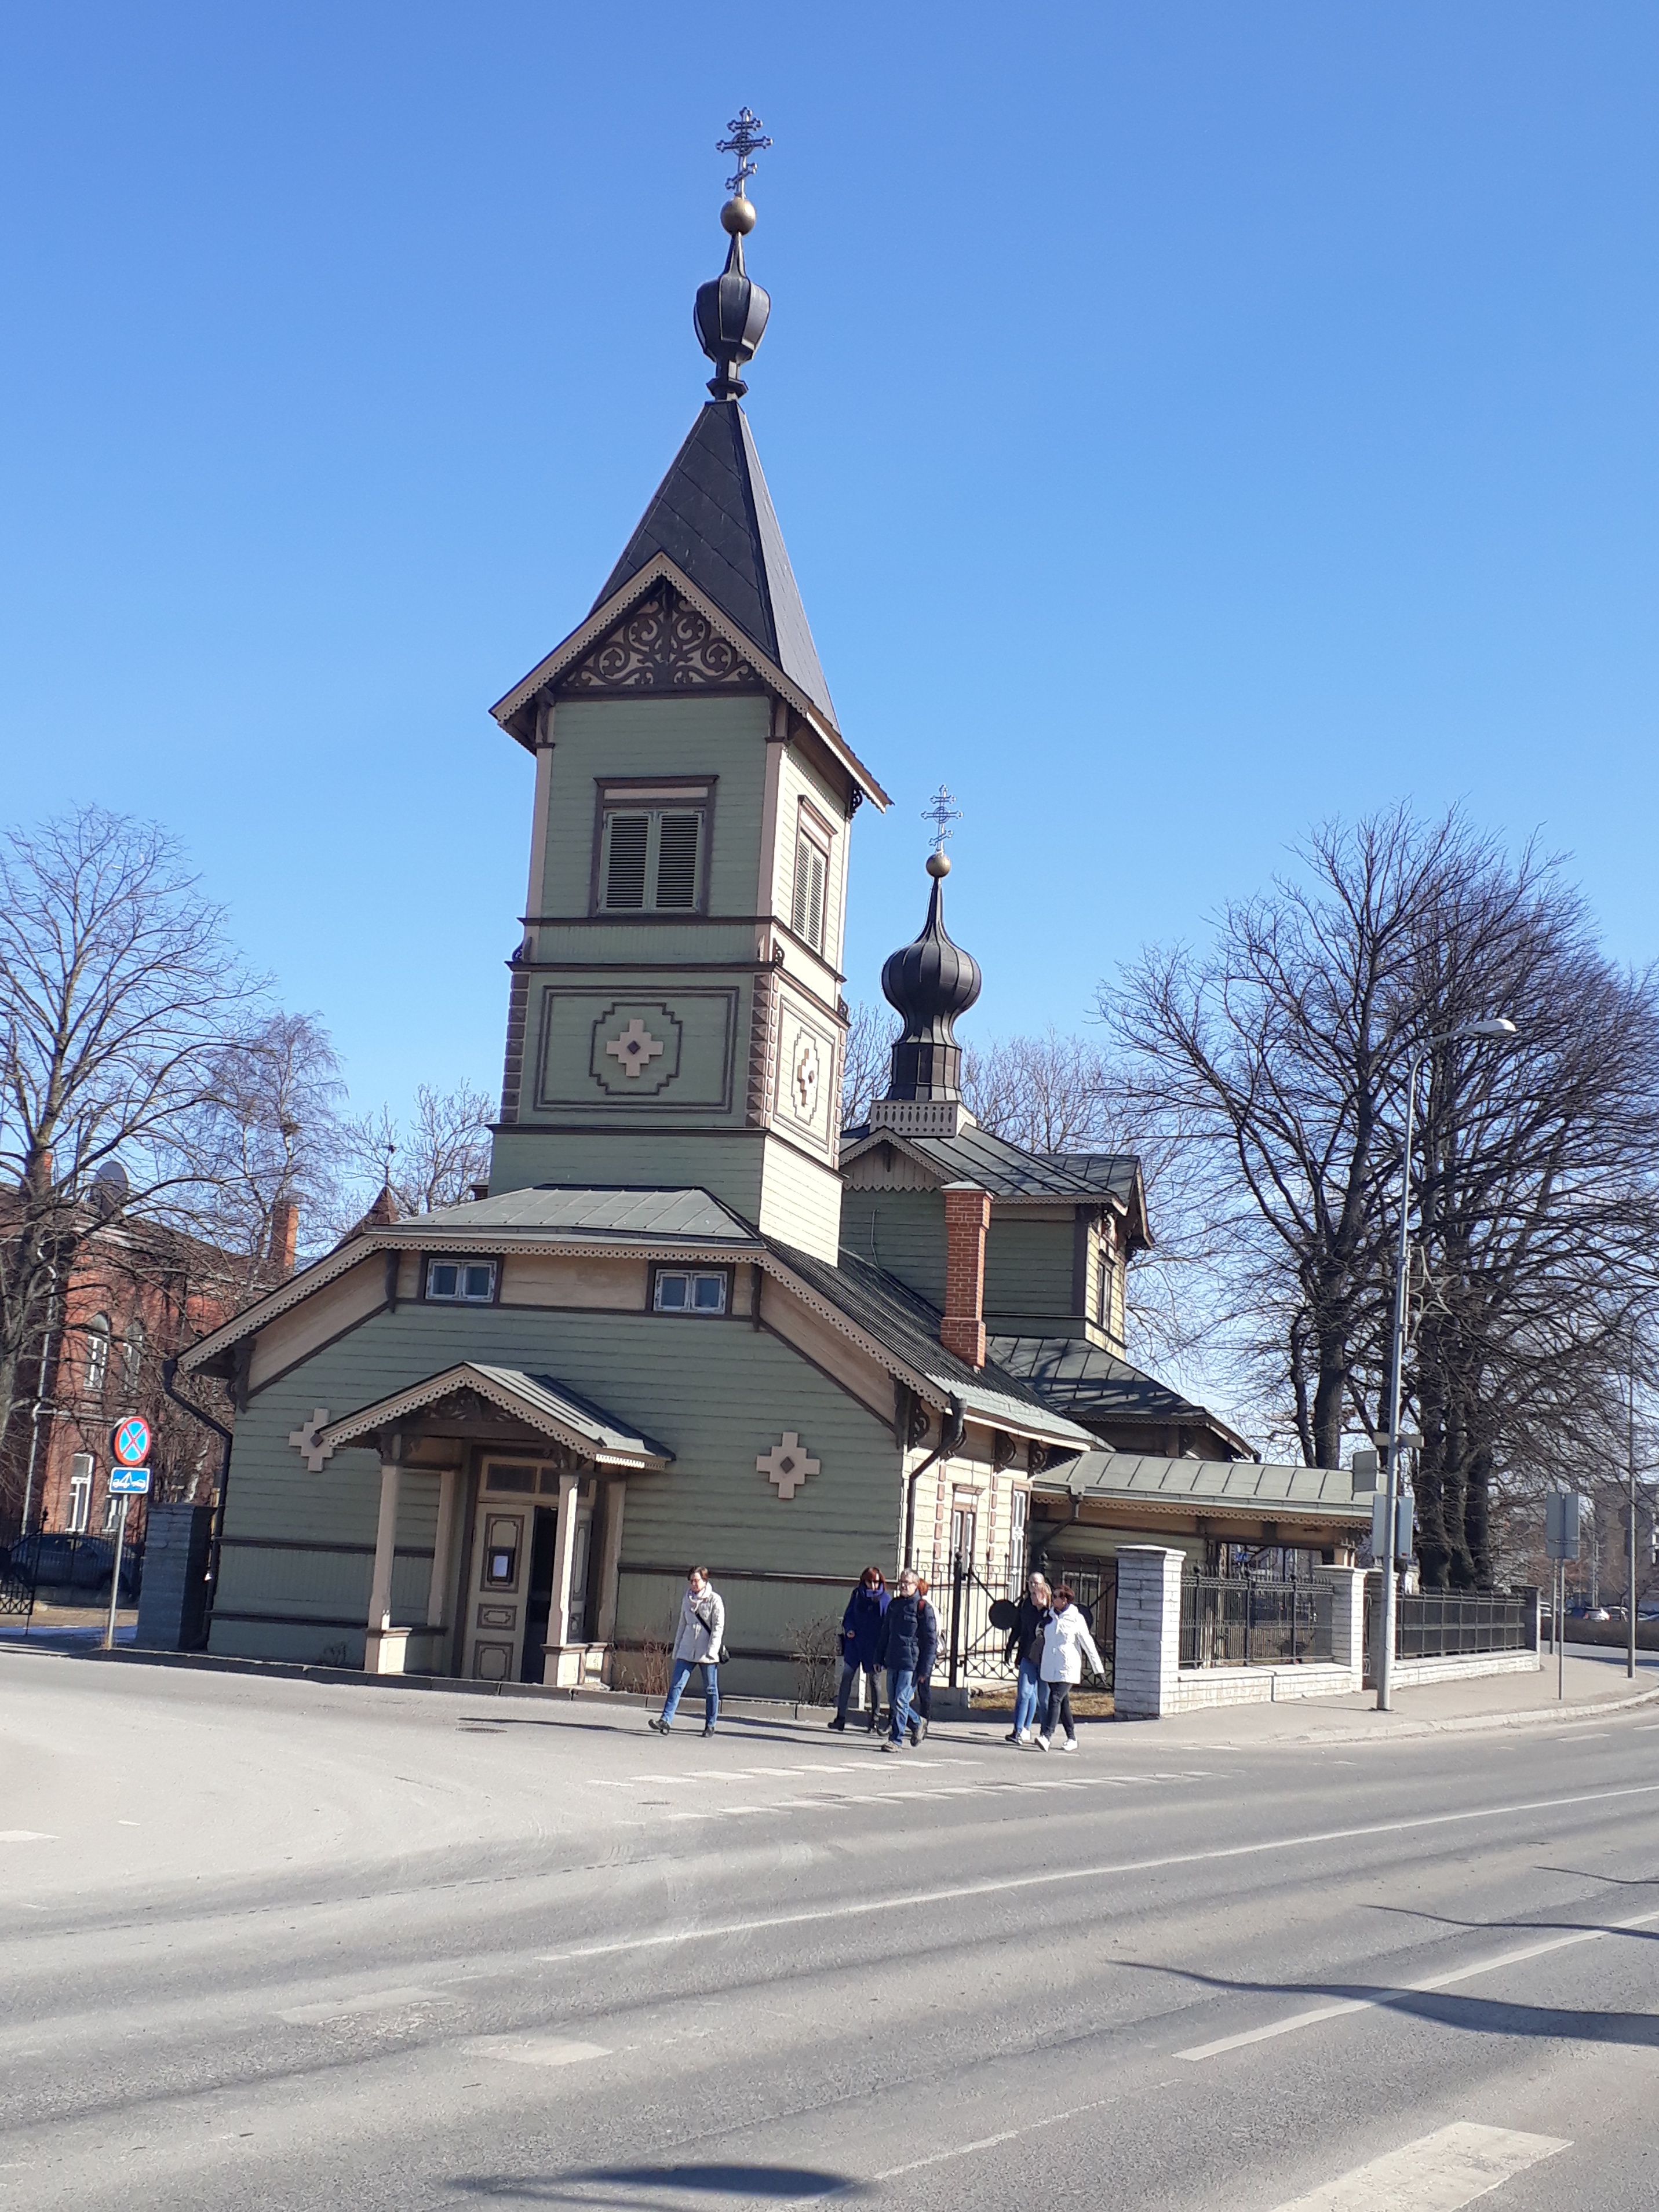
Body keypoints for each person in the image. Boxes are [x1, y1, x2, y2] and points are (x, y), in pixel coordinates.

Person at [648, 1567, 724, 1737]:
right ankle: (666, 1721)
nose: (694, 1584)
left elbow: (718, 1628)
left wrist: (713, 1651)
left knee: (711, 1689)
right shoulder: (687, 1599)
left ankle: (710, 1725)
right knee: (676, 1685)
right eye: (691, 1581)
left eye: (697, 1580)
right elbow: (682, 1625)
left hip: (707, 1652)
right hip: (687, 1649)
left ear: (705, 1581)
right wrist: (677, 1649)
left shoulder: (715, 1600)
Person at [1036, 1582, 1104, 1753]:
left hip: (1068, 1666)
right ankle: (1072, 1738)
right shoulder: (1049, 1616)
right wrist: (1041, 1627)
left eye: (1058, 1596)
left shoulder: (1076, 1618)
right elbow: (1040, 1635)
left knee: (1055, 1698)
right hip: (1051, 1665)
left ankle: (1046, 1735)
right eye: (1054, 1596)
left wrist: (1098, 1669)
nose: (1054, 1600)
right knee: (1063, 1702)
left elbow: (1088, 1644)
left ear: (1065, 1600)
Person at [874, 1567, 935, 1751]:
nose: (902, 1586)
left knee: (901, 1701)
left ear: (916, 1585)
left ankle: (896, 1740)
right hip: (893, 1659)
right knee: (894, 1702)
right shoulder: (895, 1605)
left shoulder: (923, 1608)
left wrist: (925, 1670)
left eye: (906, 1583)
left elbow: (930, 1641)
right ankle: (917, 1723)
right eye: (901, 1582)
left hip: (912, 1663)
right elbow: (885, 1632)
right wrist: (879, 1657)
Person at [827, 1567, 889, 1732]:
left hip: (873, 1647)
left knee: (874, 1682)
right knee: (846, 1678)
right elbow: (849, 1617)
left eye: (876, 1582)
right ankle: (840, 1718)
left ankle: (875, 1720)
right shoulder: (857, 1595)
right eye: (870, 1582)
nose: (873, 1586)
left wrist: (882, 1646)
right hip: (855, 1645)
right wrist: (850, 1629)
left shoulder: (884, 1599)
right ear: (864, 1581)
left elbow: (887, 1624)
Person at [1003, 1572, 1053, 1745]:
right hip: (1027, 1656)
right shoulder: (1026, 1606)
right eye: (1030, 1584)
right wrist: (1010, 1648)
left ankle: (1045, 1734)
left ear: (1043, 1591)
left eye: (1036, 1586)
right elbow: (1019, 1628)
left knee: (1043, 1699)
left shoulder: (1052, 1613)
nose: (1032, 1588)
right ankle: (1018, 1730)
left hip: (1045, 1660)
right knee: (1024, 1693)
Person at [907, 1575, 940, 1746]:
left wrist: (927, 1663)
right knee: (904, 1695)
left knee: (923, 1689)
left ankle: (924, 1720)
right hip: (912, 1655)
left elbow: (933, 1635)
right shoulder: (909, 1605)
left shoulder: (926, 1607)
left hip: (924, 1655)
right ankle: (915, 1722)